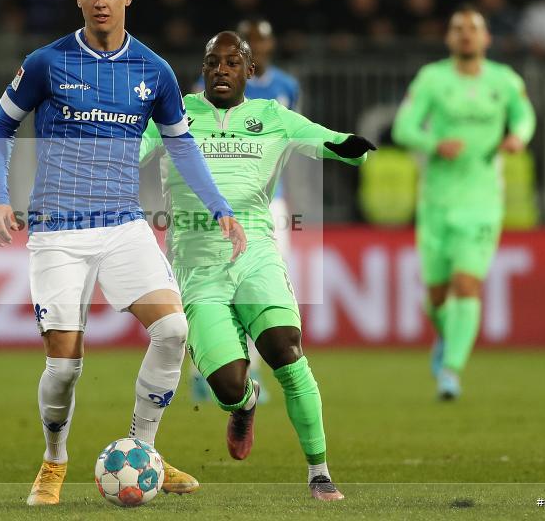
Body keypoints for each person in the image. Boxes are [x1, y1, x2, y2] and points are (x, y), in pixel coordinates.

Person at [0, 0, 246, 506]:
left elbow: (180, 143)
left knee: (174, 331)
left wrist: (219, 205)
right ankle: (54, 461)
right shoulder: (47, 63)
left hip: (124, 225)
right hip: (58, 231)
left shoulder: (153, 70)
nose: (100, 3)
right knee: (64, 366)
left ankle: (143, 450)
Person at [141, 31, 375, 501]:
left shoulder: (273, 117)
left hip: (256, 255)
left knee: (286, 351)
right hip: (196, 265)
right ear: (203, 70)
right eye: (213, 62)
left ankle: (319, 472)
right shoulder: (174, 113)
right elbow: (128, 152)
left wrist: (354, 146)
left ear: (250, 71)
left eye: (232, 62)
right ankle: (243, 404)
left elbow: (328, 140)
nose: (222, 70)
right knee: (228, 383)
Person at [392, 5, 536, 400]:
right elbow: (403, 127)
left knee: (467, 284)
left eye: (474, 28)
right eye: (459, 28)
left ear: (487, 38)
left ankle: (450, 372)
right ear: (449, 38)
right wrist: (433, 143)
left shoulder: (504, 80)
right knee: (437, 296)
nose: (467, 34)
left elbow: (525, 116)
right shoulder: (432, 79)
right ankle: (447, 338)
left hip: (483, 200)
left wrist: (518, 137)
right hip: (436, 200)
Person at [188, 18, 301, 404]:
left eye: (261, 41)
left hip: (269, 204)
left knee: (260, 288)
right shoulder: (205, 93)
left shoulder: (286, 87)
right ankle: (203, 369)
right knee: (207, 291)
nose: (257, 45)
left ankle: (250, 372)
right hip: (211, 208)